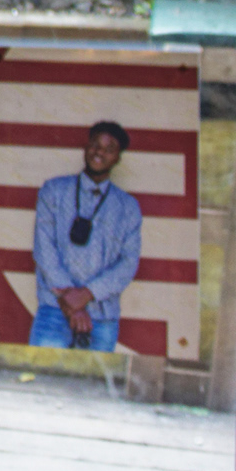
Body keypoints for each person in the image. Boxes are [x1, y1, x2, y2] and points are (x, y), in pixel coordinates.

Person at [30, 121, 142, 352]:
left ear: (118, 158)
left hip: (102, 320)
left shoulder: (128, 207)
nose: (99, 152)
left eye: (109, 149)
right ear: (86, 147)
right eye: (95, 144)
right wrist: (71, 303)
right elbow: (44, 248)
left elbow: (128, 264)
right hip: (54, 311)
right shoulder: (53, 190)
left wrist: (87, 294)